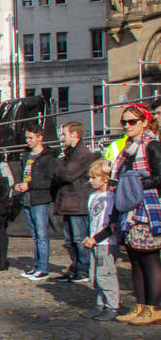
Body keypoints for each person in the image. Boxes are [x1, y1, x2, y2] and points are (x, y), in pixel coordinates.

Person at [97, 102, 161, 324]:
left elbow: (159, 177)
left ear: (144, 122)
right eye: (123, 122)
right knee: (134, 258)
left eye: (132, 121)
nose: (126, 125)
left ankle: (154, 307)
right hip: (128, 209)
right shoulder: (126, 150)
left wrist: (135, 182)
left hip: (147, 206)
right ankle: (140, 305)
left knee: (149, 258)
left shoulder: (152, 145)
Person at [52, 121, 94, 284]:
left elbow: (66, 174)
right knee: (69, 240)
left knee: (79, 238)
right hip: (68, 202)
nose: (62, 138)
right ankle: (75, 267)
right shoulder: (69, 154)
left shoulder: (82, 153)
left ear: (75, 134)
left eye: (64, 134)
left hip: (77, 202)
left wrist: (59, 167)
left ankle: (83, 270)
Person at [14, 128, 55, 281]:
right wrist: (20, 185)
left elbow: (50, 181)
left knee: (42, 235)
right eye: (26, 138)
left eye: (31, 138)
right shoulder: (26, 155)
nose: (28, 141)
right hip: (27, 198)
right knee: (35, 236)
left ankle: (43, 267)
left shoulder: (47, 158)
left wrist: (29, 185)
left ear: (40, 138)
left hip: (39, 199)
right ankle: (37, 265)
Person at [80, 159, 119, 320]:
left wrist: (96, 239)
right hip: (95, 242)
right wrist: (90, 237)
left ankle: (112, 306)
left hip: (106, 243)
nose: (90, 180)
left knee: (106, 275)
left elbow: (112, 226)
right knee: (95, 275)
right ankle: (100, 303)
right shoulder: (93, 196)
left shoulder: (112, 197)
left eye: (94, 177)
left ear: (104, 178)